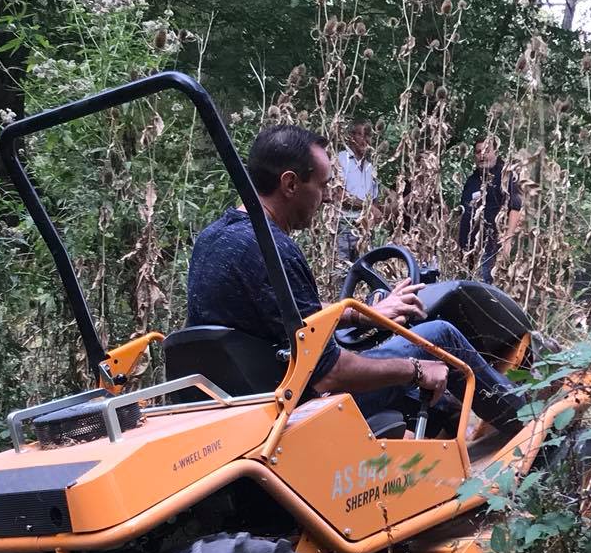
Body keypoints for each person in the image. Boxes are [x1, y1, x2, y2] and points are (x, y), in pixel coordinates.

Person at [187, 123, 527, 436]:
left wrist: (361, 314)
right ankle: (532, 430)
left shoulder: (215, 237)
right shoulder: (274, 250)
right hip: (302, 410)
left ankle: (450, 434)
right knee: (439, 335)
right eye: (321, 185)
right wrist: (416, 369)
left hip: (247, 401)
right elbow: (330, 372)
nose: (325, 198)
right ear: (290, 184)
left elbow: (290, 314)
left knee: (419, 378)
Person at [457, 135, 523, 284]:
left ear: (496, 153)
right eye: (478, 152)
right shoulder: (472, 180)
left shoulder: (505, 176)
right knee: (469, 287)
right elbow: (463, 212)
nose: (482, 155)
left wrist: (507, 241)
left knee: (484, 287)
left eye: (486, 151)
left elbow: (515, 207)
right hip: (469, 249)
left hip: (491, 246)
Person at [334, 119, 379, 280]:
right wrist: (367, 206)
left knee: (365, 273)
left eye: (368, 135)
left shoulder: (370, 167)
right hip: (344, 225)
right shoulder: (341, 160)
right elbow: (339, 194)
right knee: (341, 272)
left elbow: (375, 202)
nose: (365, 140)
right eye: (361, 134)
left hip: (365, 228)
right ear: (351, 137)